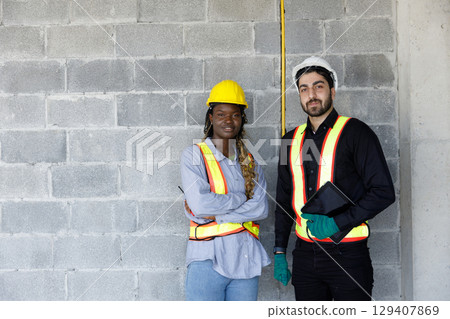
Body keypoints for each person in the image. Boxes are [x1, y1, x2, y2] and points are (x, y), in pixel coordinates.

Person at [273, 56, 395, 301]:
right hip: (305, 256)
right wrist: (279, 250)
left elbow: (383, 192)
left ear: (332, 91)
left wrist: (337, 222)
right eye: (304, 89)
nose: (311, 94)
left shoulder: (356, 132)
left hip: (347, 256)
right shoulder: (290, 140)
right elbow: (284, 198)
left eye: (318, 86)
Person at [180, 80, 270, 301]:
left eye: (235, 115)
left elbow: (261, 208)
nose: (228, 121)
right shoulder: (194, 156)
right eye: (221, 114)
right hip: (207, 260)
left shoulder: (250, 160)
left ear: (242, 119)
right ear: (211, 117)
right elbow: (201, 205)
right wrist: (241, 198)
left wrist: (216, 214)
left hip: (245, 260)